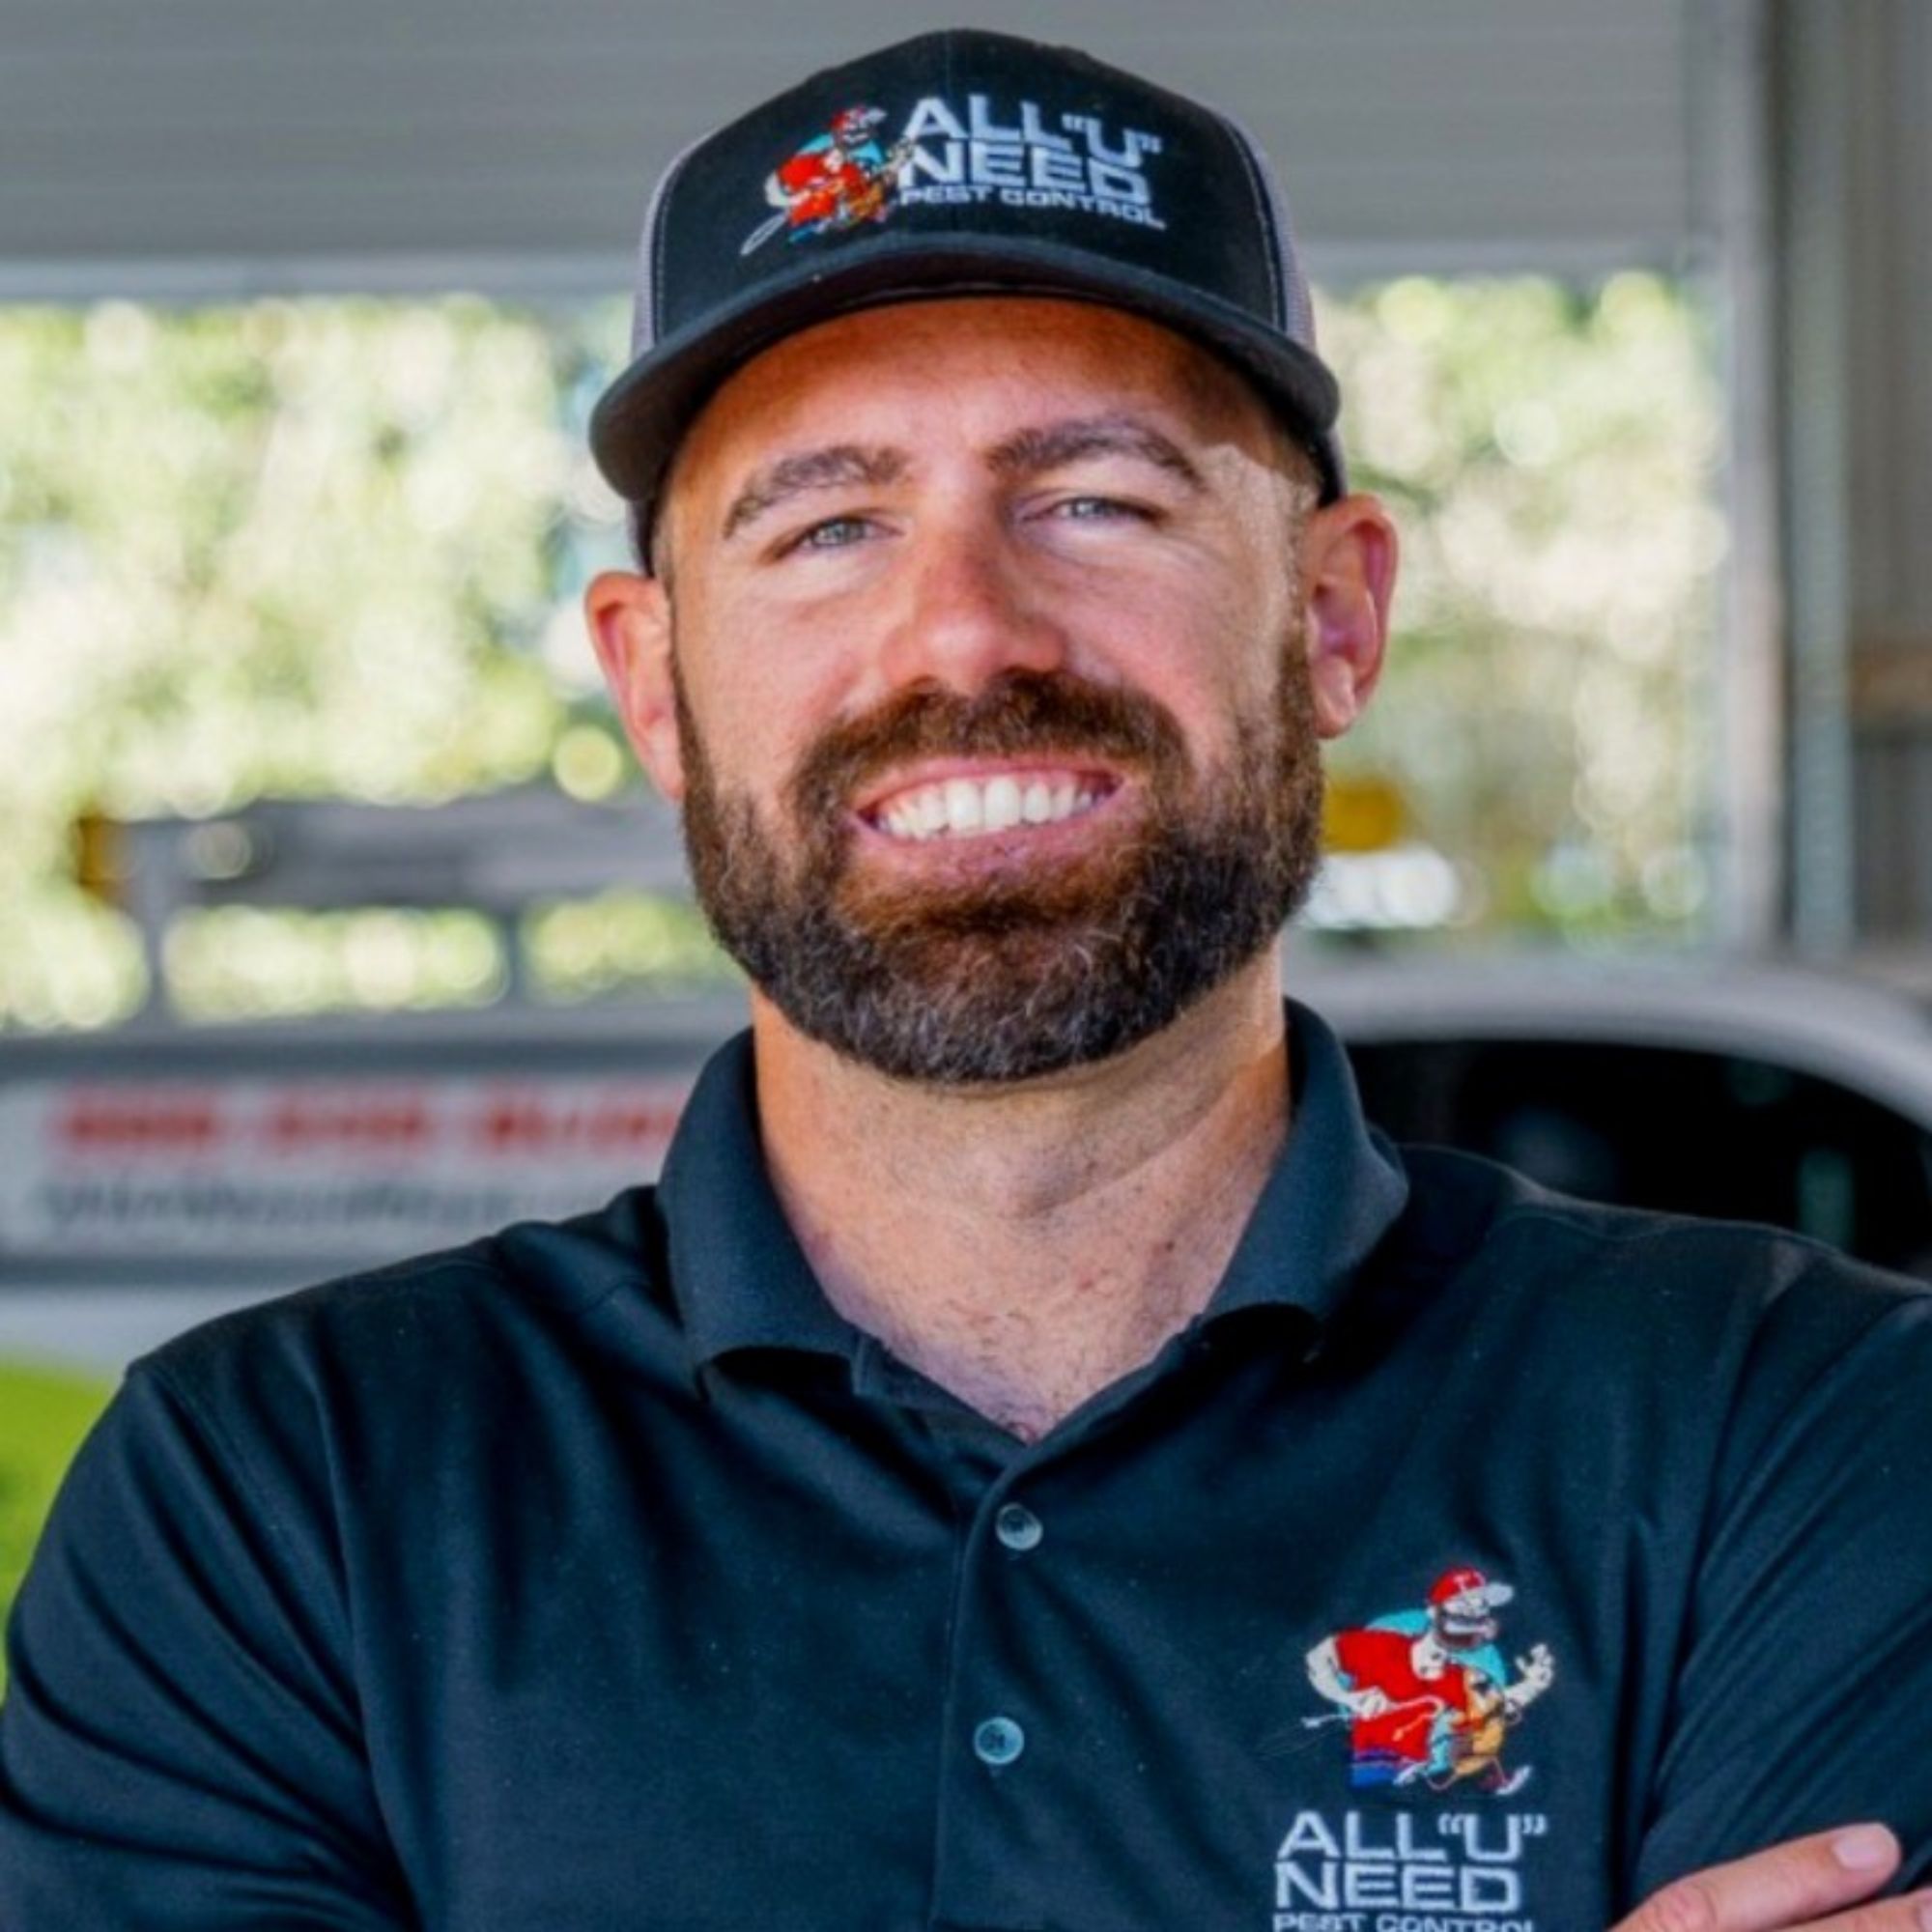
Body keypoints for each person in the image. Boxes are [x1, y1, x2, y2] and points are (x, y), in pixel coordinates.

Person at [3, 27, 1931, 1932]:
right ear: (655, 683)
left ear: (1335, 615)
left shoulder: (1801, 1429)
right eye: (828, 526)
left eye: (1096, 497)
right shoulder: (280, 1496)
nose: (964, 633)